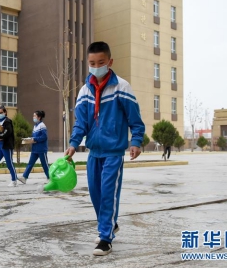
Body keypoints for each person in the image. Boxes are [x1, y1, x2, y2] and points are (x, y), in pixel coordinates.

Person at [65, 41, 145, 256]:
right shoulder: (84, 91)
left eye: (101, 62)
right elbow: (80, 123)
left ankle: (105, 238)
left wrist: (136, 141)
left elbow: (135, 119)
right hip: (94, 153)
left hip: (113, 153)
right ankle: (109, 224)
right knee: (96, 195)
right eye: (92, 63)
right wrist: (73, 144)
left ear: (110, 62)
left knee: (108, 193)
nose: (96, 66)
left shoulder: (121, 87)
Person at [17, 110, 49, 184]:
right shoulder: (35, 126)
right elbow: (35, 137)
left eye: (35, 116)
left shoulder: (42, 125)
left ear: (39, 117)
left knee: (44, 164)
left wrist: (34, 139)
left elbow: (44, 137)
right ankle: (24, 177)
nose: (33, 117)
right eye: (33, 116)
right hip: (35, 149)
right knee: (30, 163)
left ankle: (49, 177)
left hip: (41, 149)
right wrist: (29, 139)